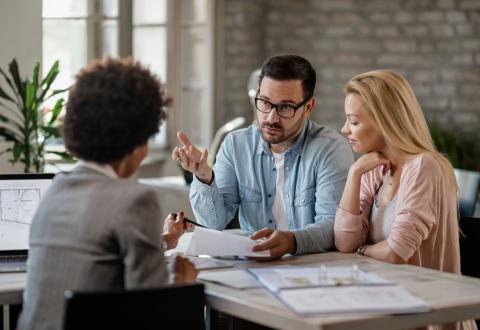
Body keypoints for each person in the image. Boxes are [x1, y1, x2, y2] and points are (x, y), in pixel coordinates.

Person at [17, 58, 198, 330]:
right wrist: (182, 283)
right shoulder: (134, 200)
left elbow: (97, 256)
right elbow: (154, 314)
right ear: (137, 143)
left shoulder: (55, 191)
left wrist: (166, 240)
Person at [335, 69, 477, 330]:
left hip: (431, 319)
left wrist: (362, 251)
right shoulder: (373, 168)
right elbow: (345, 242)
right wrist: (354, 175)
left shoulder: (425, 166)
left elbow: (396, 251)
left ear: (385, 121)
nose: (345, 129)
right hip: (391, 311)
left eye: (353, 121)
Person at [173, 54, 354, 259]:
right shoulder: (236, 145)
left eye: (285, 107)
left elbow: (332, 226)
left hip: (312, 266)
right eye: (265, 103)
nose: (271, 117)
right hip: (255, 265)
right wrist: (204, 177)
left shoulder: (330, 149)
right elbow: (214, 223)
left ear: (308, 107)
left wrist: (290, 241)